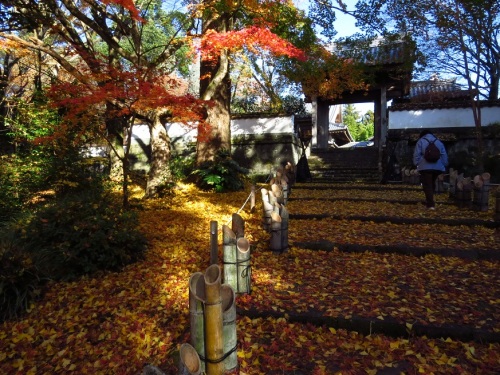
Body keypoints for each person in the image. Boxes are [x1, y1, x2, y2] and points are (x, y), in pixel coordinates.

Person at [413, 130, 448, 209]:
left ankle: (430, 205)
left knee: (427, 185)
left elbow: (417, 154)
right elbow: (444, 155)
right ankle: (431, 200)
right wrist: (444, 165)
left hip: (425, 167)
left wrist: (416, 163)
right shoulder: (439, 142)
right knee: (432, 183)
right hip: (437, 168)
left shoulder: (421, 141)